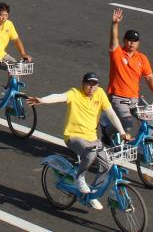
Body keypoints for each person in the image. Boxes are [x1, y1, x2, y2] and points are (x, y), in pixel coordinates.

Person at [28, 72, 129, 211]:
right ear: (83, 84)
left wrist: (122, 132)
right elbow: (59, 96)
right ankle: (79, 177)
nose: (92, 88)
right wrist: (42, 100)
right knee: (90, 155)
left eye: (95, 85)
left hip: (92, 138)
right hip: (74, 137)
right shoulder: (74, 93)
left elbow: (111, 113)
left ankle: (92, 194)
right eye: (89, 84)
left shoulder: (100, 93)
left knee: (107, 164)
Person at [107, 9, 153, 137]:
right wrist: (115, 24)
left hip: (135, 99)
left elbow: (149, 78)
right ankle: (107, 131)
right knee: (127, 125)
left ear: (138, 43)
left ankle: (141, 144)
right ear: (124, 40)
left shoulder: (142, 58)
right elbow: (113, 40)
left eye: (135, 40)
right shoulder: (117, 53)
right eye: (129, 40)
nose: (132, 43)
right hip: (118, 98)